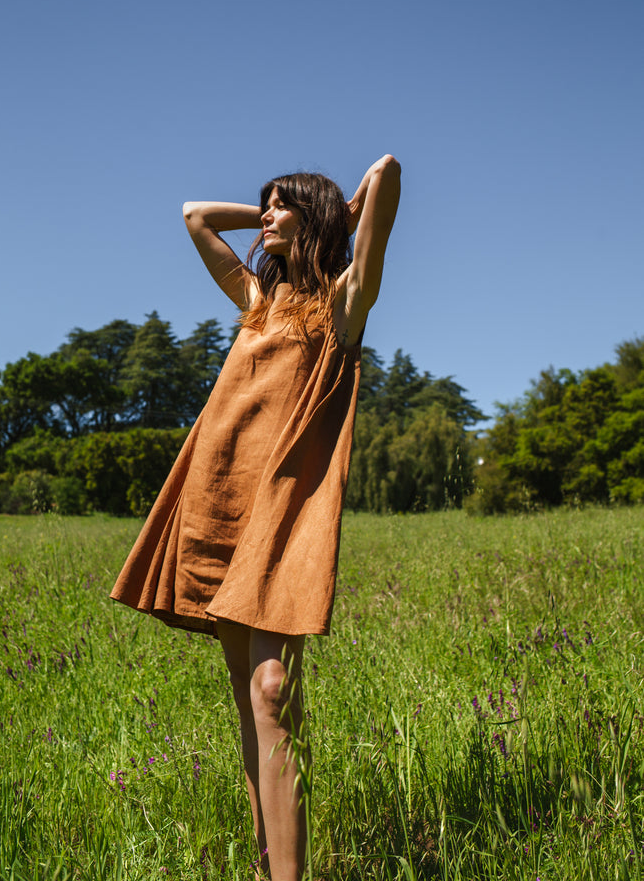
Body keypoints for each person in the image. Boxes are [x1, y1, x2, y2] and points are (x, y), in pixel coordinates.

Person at [110, 154, 401, 881]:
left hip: (281, 511)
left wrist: (342, 213)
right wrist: (281, 214)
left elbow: (387, 171)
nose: (262, 216)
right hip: (217, 499)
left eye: (277, 207)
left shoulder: (343, 303)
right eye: (262, 206)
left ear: (314, 217)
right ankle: (269, 865)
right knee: (251, 703)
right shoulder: (253, 300)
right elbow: (195, 216)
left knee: (273, 691)